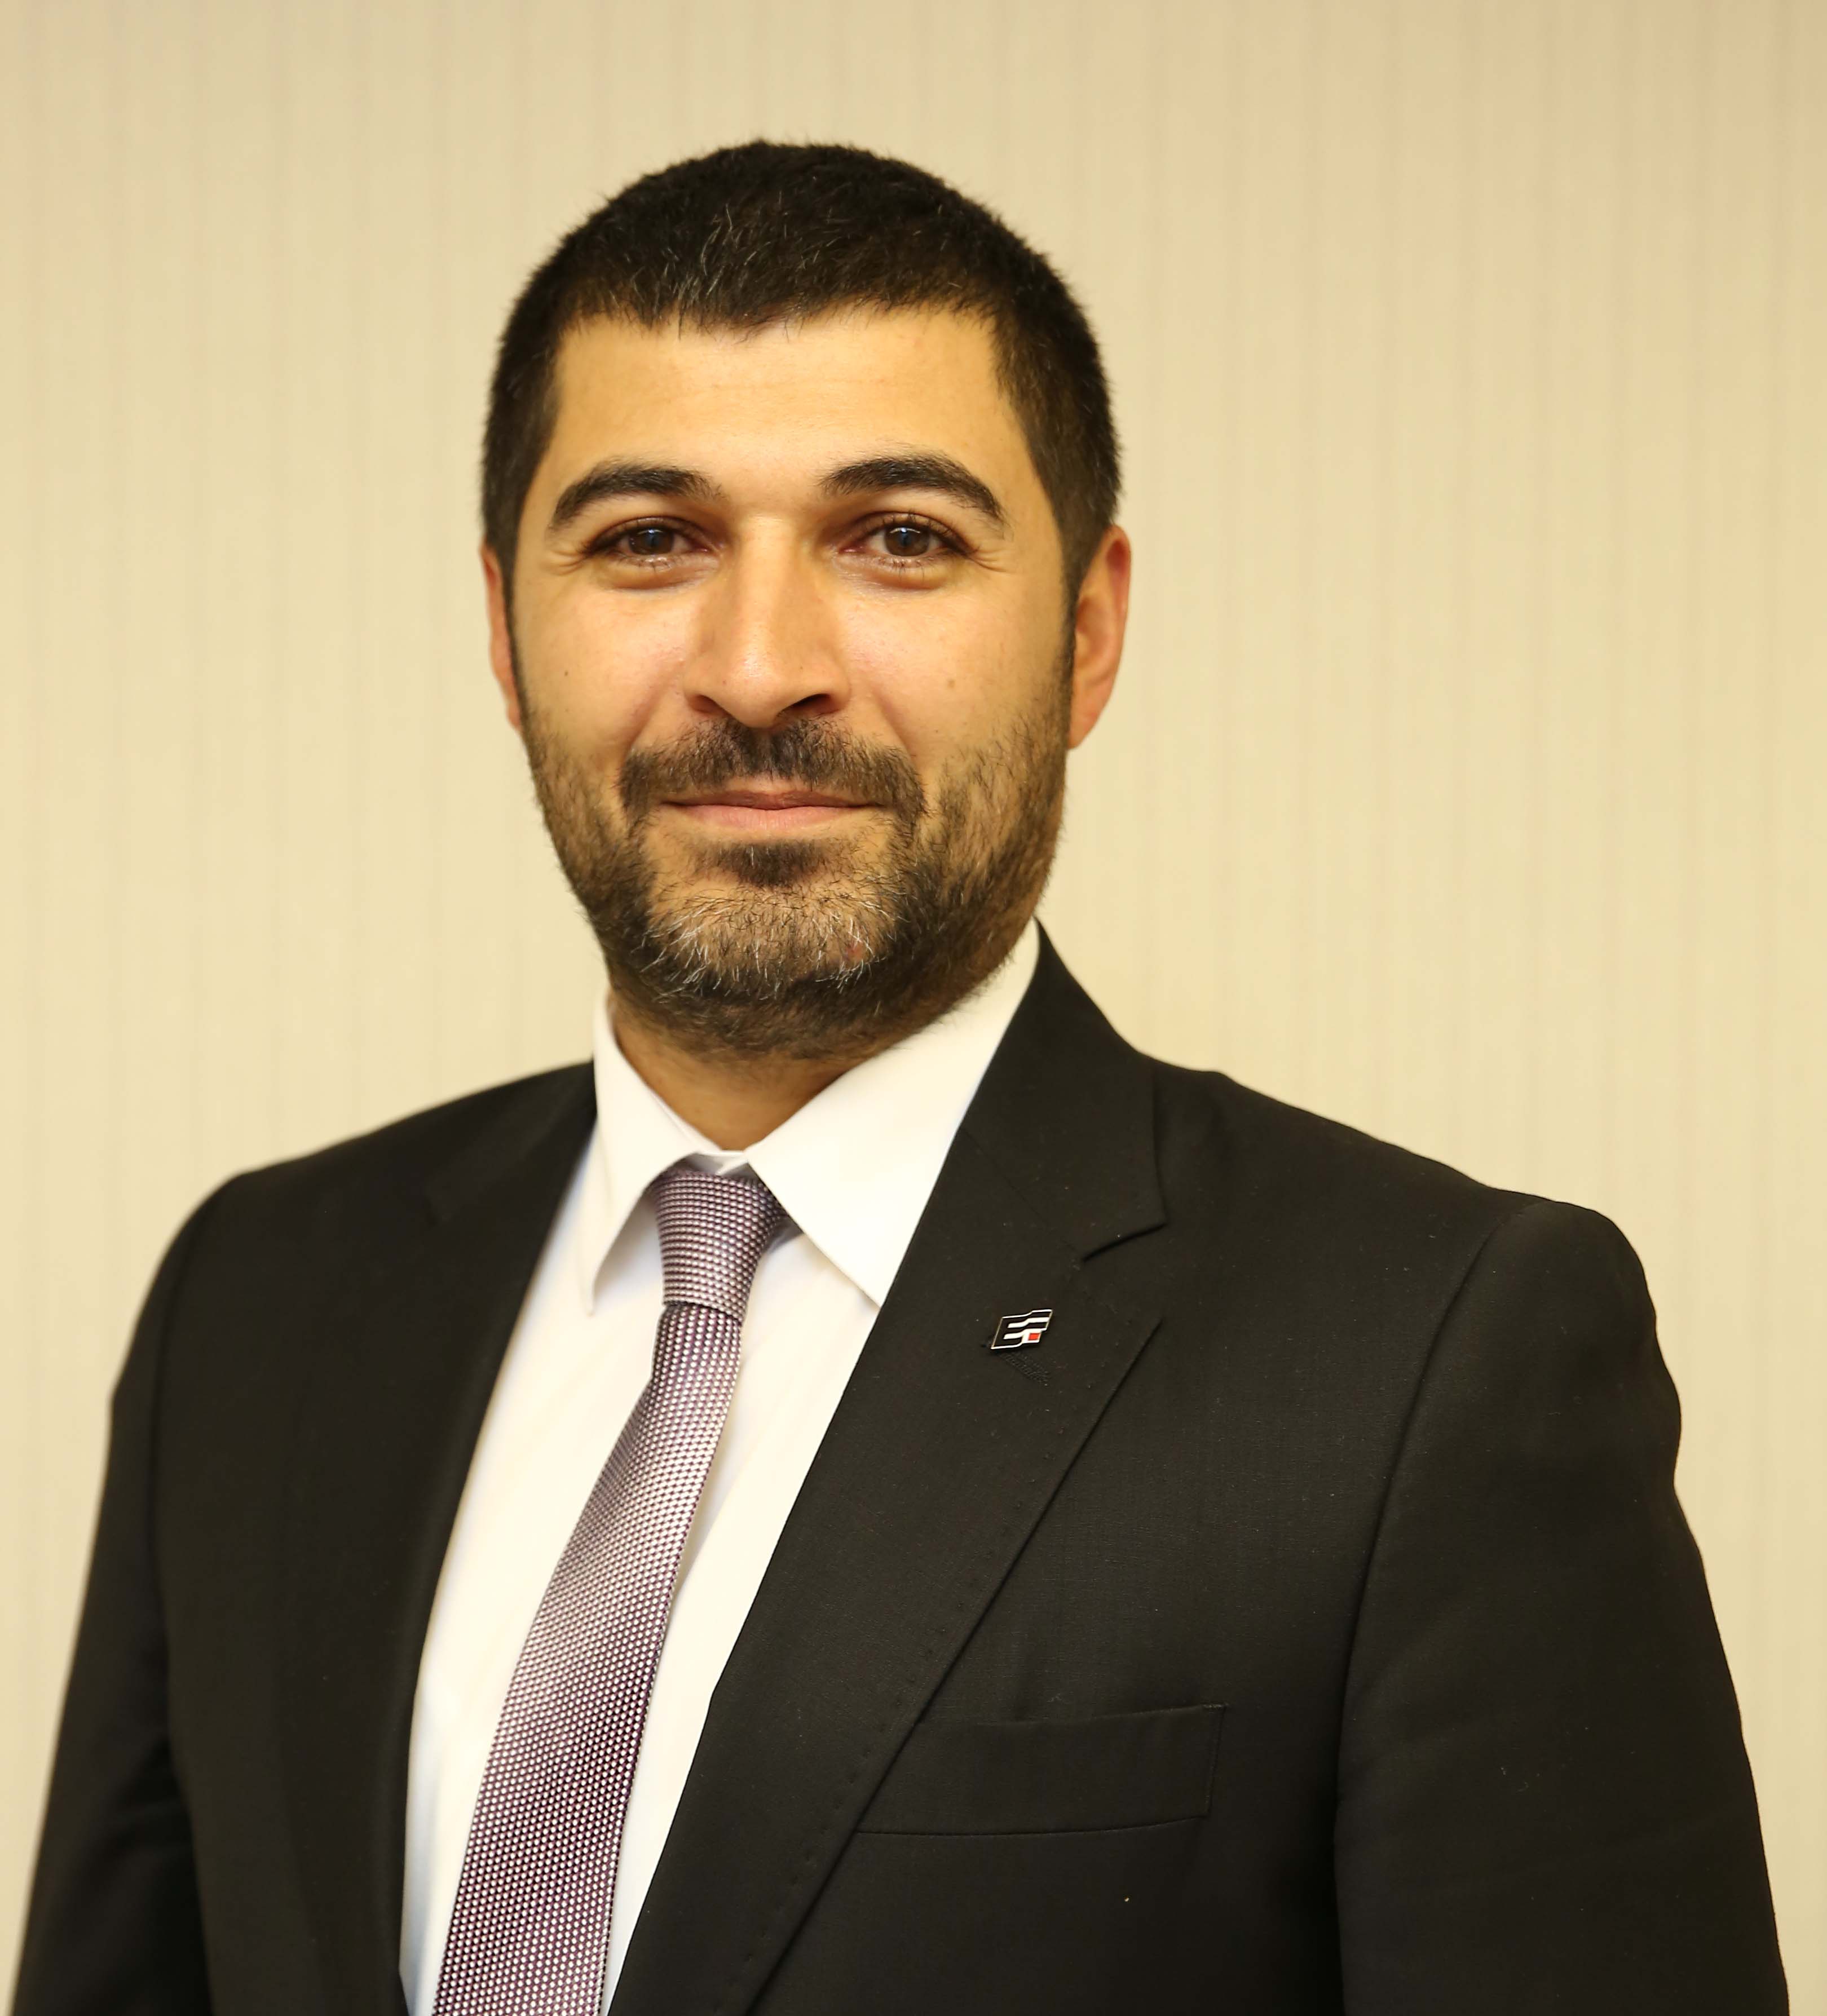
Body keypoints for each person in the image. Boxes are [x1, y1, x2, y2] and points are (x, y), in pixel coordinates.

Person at [13, 140, 1786, 2016]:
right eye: (650, 539)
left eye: (901, 539)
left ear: (1089, 630)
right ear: (504, 631)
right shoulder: (260, 1301)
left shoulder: (1428, 1358)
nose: (760, 668)